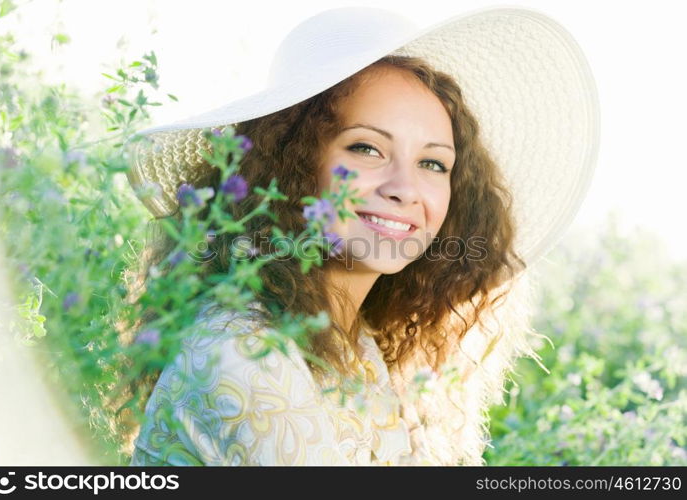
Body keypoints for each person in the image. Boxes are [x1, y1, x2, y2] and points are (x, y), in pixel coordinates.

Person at [121, 6, 599, 465]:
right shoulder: (243, 350)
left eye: (433, 163)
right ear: (291, 163)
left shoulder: (357, 345)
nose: (405, 189)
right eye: (367, 148)